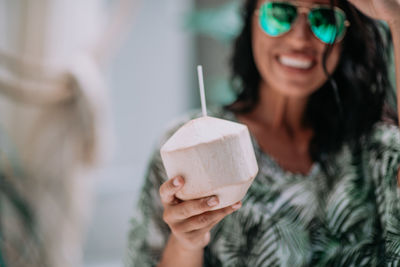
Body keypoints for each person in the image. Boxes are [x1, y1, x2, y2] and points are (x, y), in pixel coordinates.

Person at [126, 0, 400, 266]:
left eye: (325, 20)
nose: (299, 39)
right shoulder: (186, 146)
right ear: (250, 20)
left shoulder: (374, 148)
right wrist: (187, 243)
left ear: (346, 39)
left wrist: (397, 19)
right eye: (279, 12)